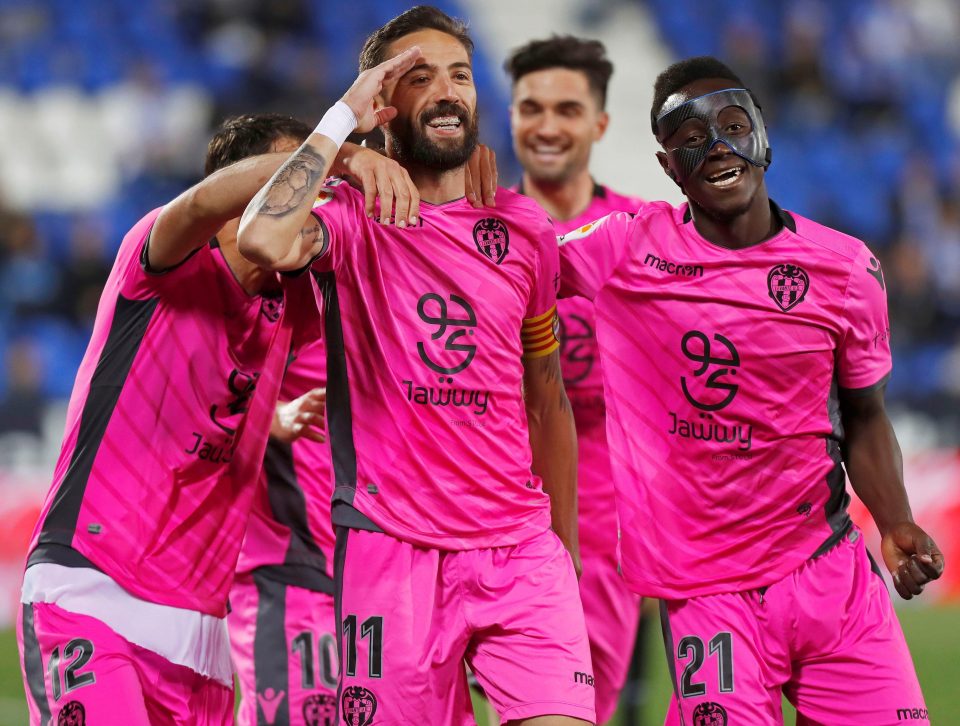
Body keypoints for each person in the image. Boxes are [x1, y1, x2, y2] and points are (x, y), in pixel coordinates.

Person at [557, 56, 944, 725]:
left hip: (831, 576)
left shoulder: (846, 269)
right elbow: (502, 266)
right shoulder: (624, 248)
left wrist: (896, 520)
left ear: (762, 134)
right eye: (690, 142)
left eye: (733, 126)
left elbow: (865, 414)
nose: (717, 147)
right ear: (668, 168)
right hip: (707, 597)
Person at [238, 6, 595, 724]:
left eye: (459, 75)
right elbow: (262, 241)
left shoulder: (523, 229)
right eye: (419, 77)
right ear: (384, 101)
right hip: (390, 554)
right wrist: (343, 134)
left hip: (520, 550)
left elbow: (547, 400)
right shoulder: (347, 217)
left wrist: (567, 555)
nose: (445, 90)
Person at [16, 111, 410, 724]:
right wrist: (338, 143)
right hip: (93, 588)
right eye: (302, 182)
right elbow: (203, 203)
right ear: (248, 193)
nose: (315, 202)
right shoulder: (159, 264)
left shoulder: (290, 307)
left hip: (202, 637)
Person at [505, 35, 644, 726]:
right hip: (478, 496)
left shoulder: (642, 240)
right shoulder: (475, 231)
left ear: (600, 124)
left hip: (600, 518)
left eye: (567, 108)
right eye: (531, 107)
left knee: (578, 707)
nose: (548, 126)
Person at [228, 337, 338, 726]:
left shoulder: (379, 306)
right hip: (291, 571)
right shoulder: (281, 298)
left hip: (372, 576)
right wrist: (271, 416)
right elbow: (195, 381)